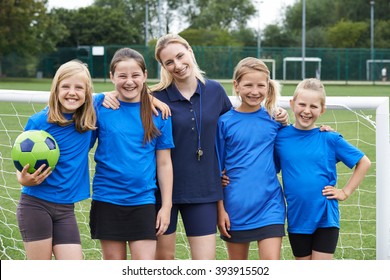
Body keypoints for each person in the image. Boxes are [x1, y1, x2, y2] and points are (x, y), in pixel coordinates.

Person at [103, 34, 288, 260]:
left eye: (180, 56)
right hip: (162, 193)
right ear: (163, 66)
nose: (178, 65)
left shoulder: (215, 91)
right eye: (169, 62)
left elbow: (234, 129)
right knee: (163, 262)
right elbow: (126, 91)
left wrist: (281, 116)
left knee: (204, 264)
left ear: (190, 51)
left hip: (204, 191)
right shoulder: (154, 97)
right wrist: (108, 94)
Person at [89, 47, 174, 260]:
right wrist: (99, 97)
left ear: (145, 76)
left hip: (143, 201)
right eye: (122, 76)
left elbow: (164, 164)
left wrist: (166, 206)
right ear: (111, 77)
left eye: (136, 75)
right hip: (107, 198)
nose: (129, 81)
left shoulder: (159, 113)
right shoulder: (100, 106)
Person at [274, 78, 371, 260]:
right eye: (302, 104)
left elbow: (364, 162)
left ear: (322, 109)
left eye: (314, 106)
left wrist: (345, 192)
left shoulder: (329, 138)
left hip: (325, 218)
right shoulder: (280, 137)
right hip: (297, 217)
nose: (307, 111)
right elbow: (269, 165)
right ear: (292, 104)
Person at [15, 60, 96, 260]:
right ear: (56, 89)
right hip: (36, 205)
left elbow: (119, 96)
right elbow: (20, 160)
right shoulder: (39, 122)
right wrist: (22, 179)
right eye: (65, 86)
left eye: (79, 87)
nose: (72, 92)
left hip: (66, 209)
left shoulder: (89, 122)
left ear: (87, 93)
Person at [215, 57, 286, 260]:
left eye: (260, 85)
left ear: (268, 87)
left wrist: (324, 132)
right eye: (248, 85)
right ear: (236, 86)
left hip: (270, 205)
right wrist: (221, 210)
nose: (255, 91)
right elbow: (217, 169)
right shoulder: (224, 122)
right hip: (235, 206)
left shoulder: (275, 120)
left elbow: (292, 145)